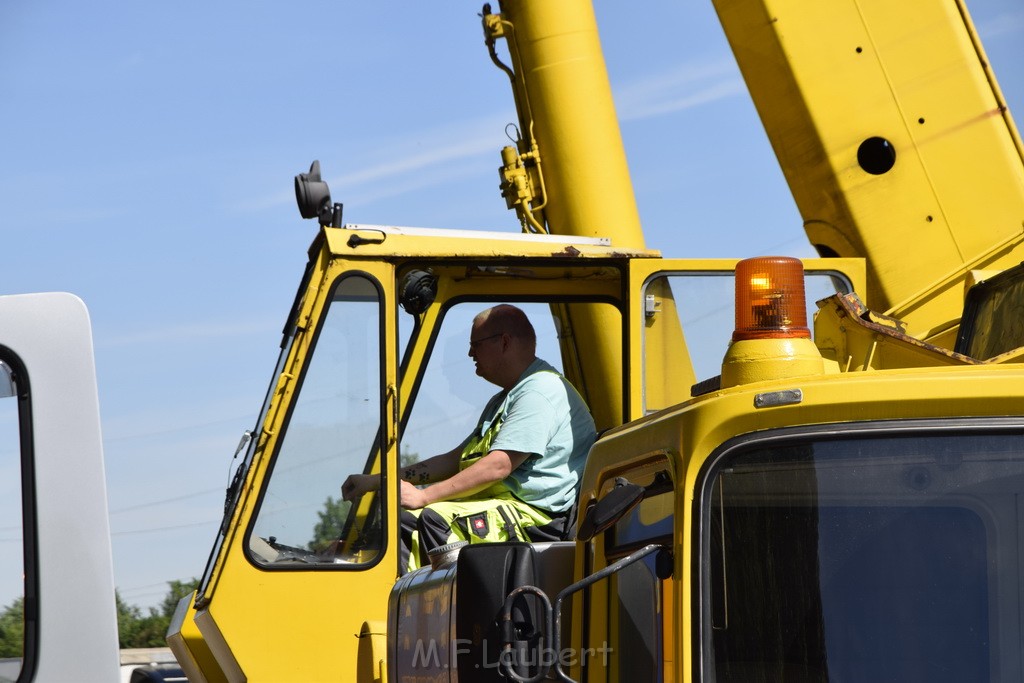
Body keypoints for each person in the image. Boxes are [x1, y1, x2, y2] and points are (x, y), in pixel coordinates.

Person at [342, 304, 597, 572]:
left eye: (475, 344)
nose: (470, 353)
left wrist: (424, 497)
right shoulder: (506, 398)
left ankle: (454, 611)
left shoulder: (540, 391)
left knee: (435, 519)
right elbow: (455, 460)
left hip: (534, 520)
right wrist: (377, 481)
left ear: (504, 342)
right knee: (405, 522)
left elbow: (499, 465)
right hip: (504, 509)